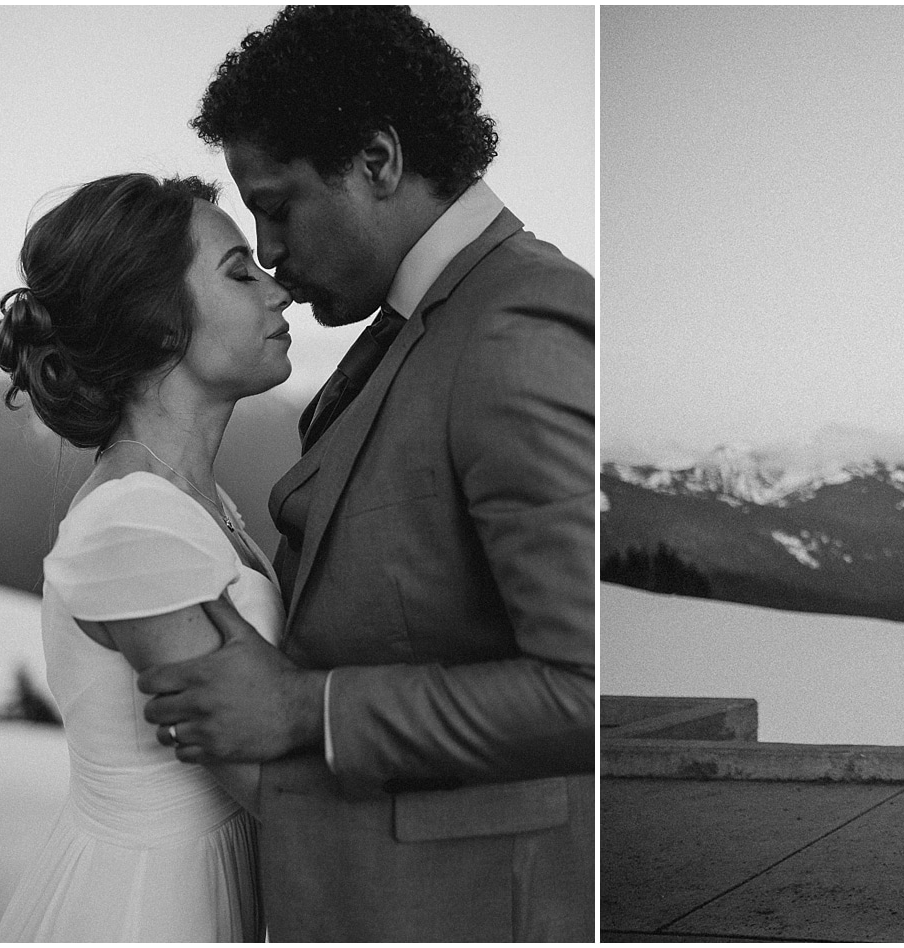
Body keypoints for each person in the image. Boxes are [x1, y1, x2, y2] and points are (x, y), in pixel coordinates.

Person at [133, 7, 594, 941]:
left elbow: (586, 685)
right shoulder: (425, 319)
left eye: (279, 203)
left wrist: (311, 707)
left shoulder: (510, 328)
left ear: (378, 161)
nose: (267, 249)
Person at [0, 173, 292, 941]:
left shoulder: (191, 499)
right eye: (238, 270)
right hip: (154, 907)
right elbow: (263, 781)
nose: (278, 291)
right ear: (159, 323)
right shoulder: (133, 529)